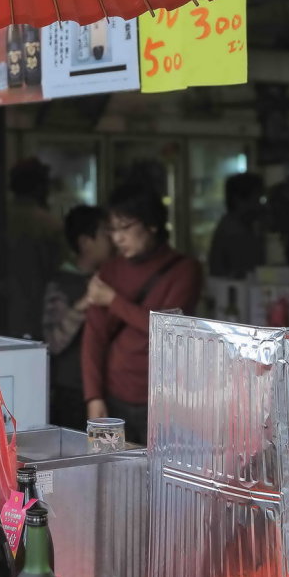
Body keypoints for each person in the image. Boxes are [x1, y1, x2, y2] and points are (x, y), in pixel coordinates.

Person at [81, 184, 202, 444]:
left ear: (152, 225)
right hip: (115, 397)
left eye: (125, 228)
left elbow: (167, 328)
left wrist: (113, 300)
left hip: (166, 401)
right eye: (113, 230)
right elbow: (94, 339)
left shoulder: (184, 271)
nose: (117, 238)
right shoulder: (109, 272)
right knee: (115, 478)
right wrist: (94, 396)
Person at [42, 205, 112, 431]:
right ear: (85, 242)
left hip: (107, 387)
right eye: (105, 232)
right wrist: (83, 305)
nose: (113, 238)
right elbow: (53, 341)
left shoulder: (112, 277)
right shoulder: (62, 284)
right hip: (72, 391)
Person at [5, 157, 65, 340]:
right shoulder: (48, 224)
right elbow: (61, 267)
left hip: (0, 309)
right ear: (40, 187)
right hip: (36, 310)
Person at [208, 172, 265, 280]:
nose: (260, 205)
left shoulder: (235, 227)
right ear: (238, 200)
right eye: (256, 199)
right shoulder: (235, 234)